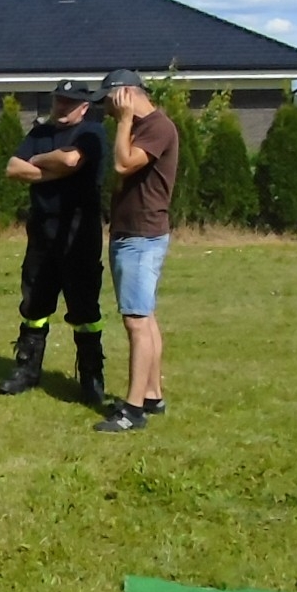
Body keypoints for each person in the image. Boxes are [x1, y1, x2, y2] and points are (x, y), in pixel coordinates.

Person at [0, 80, 108, 404]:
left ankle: (91, 376)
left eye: (69, 102)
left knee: (84, 306)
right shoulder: (40, 132)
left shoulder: (92, 132)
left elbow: (72, 160)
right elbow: (13, 168)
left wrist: (37, 161)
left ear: (84, 107)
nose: (61, 107)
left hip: (78, 230)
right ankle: (27, 369)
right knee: (35, 302)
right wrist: (52, 167)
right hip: (42, 227)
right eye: (59, 100)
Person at [94, 69, 179, 434]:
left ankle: (133, 410)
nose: (106, 109)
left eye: (109, 101)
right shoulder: (145, 127)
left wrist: (125, 120)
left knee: (136, 322)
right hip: (133, 233)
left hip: (142, 236)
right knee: (145, 316)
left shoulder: (156, 127)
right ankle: (152, 395)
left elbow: (123, 163)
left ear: (125, 94)